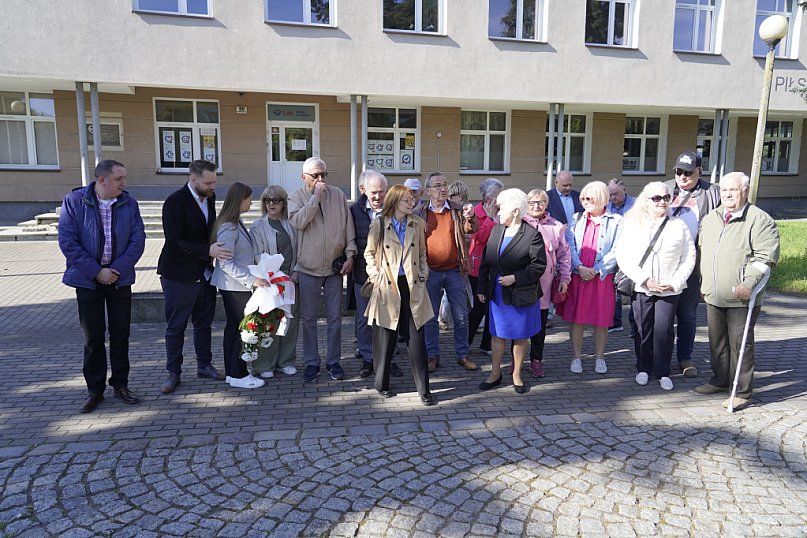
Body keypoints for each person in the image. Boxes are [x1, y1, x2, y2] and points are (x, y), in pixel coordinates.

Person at [58, 160, 146, 413]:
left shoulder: (129, 203)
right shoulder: (75, 201)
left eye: (124, 178)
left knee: (120, 335)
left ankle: (121, 385)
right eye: (119, 179)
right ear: (102, 180)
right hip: (87, 280)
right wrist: (96, 272)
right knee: (93, 338)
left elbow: (137, 240)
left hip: (119, 279)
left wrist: (115, 270)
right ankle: (95, 390)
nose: (124, 183)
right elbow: (68, 240)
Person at [695, 172, 779, 411]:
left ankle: (742, 391)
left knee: (740, 344)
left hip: (742, 295)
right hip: (714, 293)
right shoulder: (711, 218)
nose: (728, 194)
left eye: (733, 189)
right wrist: (704, 282)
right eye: (724, 190)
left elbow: (766, 258)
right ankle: (720, 380)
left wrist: (749, 284)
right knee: (717, 342)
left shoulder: (759, 220)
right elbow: (705, 253)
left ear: (745, 190)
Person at [158, 160, 231, 394]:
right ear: (193, 180)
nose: (212, 186)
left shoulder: (209, 197)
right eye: (208, 182)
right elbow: (174, 241)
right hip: (178, 275)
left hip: (204, 274)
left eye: (214, 182)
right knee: (176, 326)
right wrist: (206, 251)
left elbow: (207, 230)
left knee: (204, 324)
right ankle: (174, 373)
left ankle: (204, 366)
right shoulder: (174, 203)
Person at [616, 182, 696, 391]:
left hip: (669, 289)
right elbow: (623, 256)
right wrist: (644, 279)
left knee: (664, 330)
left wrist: (675, 282)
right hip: (643, 287)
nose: (662, 202)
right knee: (643, 330)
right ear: (646, 200)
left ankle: (662, 371)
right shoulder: (633, 224)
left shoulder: (679, 225)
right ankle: (643, 367)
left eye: (666, 197)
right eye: (657, 198)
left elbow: (689, 257)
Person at [364, 185, 437, 406]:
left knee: (417, 340)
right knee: (385, 339)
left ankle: (424, 390)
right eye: (407, 199)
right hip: (388, 286)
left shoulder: (417, 223)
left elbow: (423, 254)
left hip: (413, 286)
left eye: (412, 198)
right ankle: (382, 384)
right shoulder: (379, 224)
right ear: (395, 201)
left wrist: (424, 274)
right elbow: (369, 253)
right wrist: (376, 275)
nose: (412, 202)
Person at [288, 157, 357, 383]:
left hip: (335, 268)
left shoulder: (337, 195)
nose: (320, 180)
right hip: (308, 268)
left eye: (324, 175)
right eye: (315, 176)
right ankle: (311, 362)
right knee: (308, 319)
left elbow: (348, 227)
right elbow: (298, 222)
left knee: (335, 319)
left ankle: (333, 361)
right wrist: (315, 198)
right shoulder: (296, 196)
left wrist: (350, 254)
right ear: (303, 177)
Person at [477, 189, 547, 394]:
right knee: (497, 334)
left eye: (502, 207)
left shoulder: (532, 235)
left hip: (520, 294)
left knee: (519, 336)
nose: (498, 212)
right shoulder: (496, 230)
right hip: (497, 294)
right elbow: (486, 262)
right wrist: (481, 287)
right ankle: (495, 373)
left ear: (515, 211)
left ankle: (517, 374)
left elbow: (538, 266)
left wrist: (516, 278)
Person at [663, 151, 721, 378]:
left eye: (688, 172)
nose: (683, 177)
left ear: (699, 171)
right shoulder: (664, 189)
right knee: (664, 315)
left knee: (687, 314)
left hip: (693, 266)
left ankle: (684, 357)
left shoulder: (712, 193)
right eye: (679, 172)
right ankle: (662, 358)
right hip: (666, 264)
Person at [415, 171, 479, 373]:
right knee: (431, 317)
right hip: (430, 272)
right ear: (427, 191)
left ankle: (462, 355)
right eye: (437, 186)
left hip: (455, 270)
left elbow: (472, 229)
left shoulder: (458, 209)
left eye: (444, 185)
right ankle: (432, 356)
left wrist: (471, 216)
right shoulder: (420, 212)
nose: (442, 189)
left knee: (461, 316)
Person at [211, 182, 270, 389]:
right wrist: (252, 280)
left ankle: (232, 373)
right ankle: (239, 374)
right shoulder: (228, 226)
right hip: (234, 287)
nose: (251, 202)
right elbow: (225, 262)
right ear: (239, 200)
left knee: (233, 329)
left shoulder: (236, 222)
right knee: (241, 330)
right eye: (248, 198)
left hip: (236, 286)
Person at [559, 181, 621, 374]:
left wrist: (596, 269)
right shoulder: (577, 218)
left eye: (589, 198)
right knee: (577, 319)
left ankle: (600, 358)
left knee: (601, 320)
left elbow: (618, 249)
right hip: (579, 275)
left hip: (601, 278)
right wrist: (579, 266)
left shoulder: (617, 221)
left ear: (602, 199)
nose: (585, 202)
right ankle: (576, 357)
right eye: (583, 198)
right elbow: (570, 245)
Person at [348, 170, 402, 378]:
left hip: (391, 276)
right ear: (363, 190)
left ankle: (389, 358)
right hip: (364, 276)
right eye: (374, 192)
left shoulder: (394, 210)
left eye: (382, 192)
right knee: (364, 321)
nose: (379, 196)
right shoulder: (353, 211)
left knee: (390, 319)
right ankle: (368, 359)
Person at [517, 188, 571, 378]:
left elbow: (564, 254)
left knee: (539, 326)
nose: (536, 206)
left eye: (540, 202)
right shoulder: (519, 223)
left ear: (546, 204)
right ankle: (517, 361)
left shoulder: (556, 226)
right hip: (522, 282)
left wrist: (565, 278)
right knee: (520, 324)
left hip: (544, 285)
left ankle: (536, 360)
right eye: (531, 202)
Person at [250, 185, 299, 378]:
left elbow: (298, 251)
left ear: (283, 203)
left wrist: (295, 272)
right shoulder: (258, 226)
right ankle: (264, 365)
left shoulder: (290, 224)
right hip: (269, 282)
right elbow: (257, 255)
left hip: (290, 281)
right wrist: (271, 276)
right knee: (268, 323)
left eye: (276, 200)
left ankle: (285, 361)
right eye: (267, 200)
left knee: (290, 322)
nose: (271, 204)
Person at [468, 178, 504, 356]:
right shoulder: (476, 213)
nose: (500, 200)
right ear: (488, 198)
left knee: (493, 308)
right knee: (479, 307)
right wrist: (490, 219)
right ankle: (465, 340)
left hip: (497, 267)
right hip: (478, 267)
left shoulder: (503, 212)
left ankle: (486, 345)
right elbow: (481, 238)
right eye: (497, 196)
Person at [438, 180, 472, 330]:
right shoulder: (448, 211)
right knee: (449, 292)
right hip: (450, 259)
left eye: (457, 195)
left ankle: (445, 318)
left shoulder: (464, 211)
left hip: (462, 258)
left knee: (462, 290)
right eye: (452, 195)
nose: (454, 198)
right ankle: (443, 318)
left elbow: (470, 231)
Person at [607, 178, 637, 334]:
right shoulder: (607, 207)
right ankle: (615, 321)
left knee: (633, 288)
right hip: (613, 252)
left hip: (632, 252)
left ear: (624, 189)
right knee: (615, 287)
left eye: (616, 194)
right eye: (610, 195)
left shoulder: (636, 205)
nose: (613, 198)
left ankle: (635, 325)